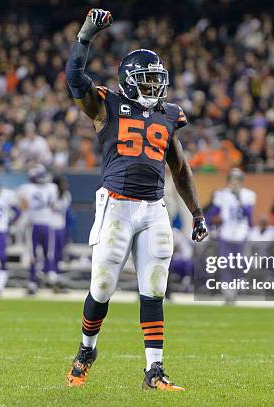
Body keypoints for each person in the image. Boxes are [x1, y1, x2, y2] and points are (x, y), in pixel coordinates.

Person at [64, 9, 207, 391]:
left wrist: (196, 212)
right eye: (146, 79)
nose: (154, 86)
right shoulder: (107, 105)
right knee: (103, 284)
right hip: (116, 203)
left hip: (154, 207)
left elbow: (179, 169)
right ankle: (86, 349)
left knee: (155, 286)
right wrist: (84, 38)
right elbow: (75, 81)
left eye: (157, 79)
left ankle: (154, 371)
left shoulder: (168, 114)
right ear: (129, 81)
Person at [209, 168, 256, 303]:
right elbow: (212, 213)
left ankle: (235, 291)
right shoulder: (221, 194)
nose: (234, 183)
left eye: (237, 180)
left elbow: (248, 213)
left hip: (241, 234)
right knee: (225, 264)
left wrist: (239, 198)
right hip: (225, 233)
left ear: (241, 182)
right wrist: (211, 224)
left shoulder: (248, 195)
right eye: (232, 180)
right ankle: (227, 294)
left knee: (238, 265)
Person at [18, 165, 58, 295]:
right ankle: (52, 279)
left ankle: (33, 283)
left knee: (33, 255)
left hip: (34, 225)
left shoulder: (27, 189)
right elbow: (53, 206)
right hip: (47, 224)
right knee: (48, 253)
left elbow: (23, 206)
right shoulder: (52, 188)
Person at [48, 174, 72, 292]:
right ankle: (52, 279)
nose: (66, 185)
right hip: (51, 227)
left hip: (60, 227)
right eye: (63, 183)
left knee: (59, 254)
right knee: (51, 253)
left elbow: (62, 210)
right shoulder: (51, 193)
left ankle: (56, 278)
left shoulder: (66, 195)